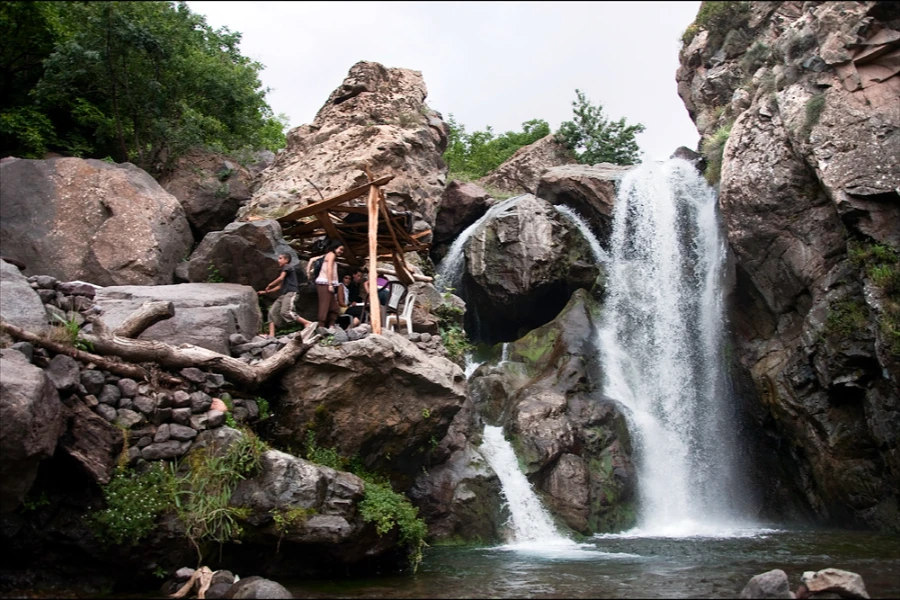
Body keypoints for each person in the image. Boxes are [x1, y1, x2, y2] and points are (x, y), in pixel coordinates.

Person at [258, 253, 311, 338]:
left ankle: (307, 323)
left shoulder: (287, 267)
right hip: (284, 294)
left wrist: (269, 285)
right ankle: (271, 335)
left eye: (280, 258)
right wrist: (265, 292)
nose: (278, 260)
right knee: (272, 312)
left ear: (286, 260)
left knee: (286, 312)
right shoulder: (285, 270)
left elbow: (280, 278)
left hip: (291, 292)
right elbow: (279, 286)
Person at [314, 241, 344, 328]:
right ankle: (321, 326)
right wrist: (330, 284)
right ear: (335, 248)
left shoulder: (328, 255)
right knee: (324, 305)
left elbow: (312, 259)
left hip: (327, 283)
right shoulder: (331, 255)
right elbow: (329, 268)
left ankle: (331, 325)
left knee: (334, 307)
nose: (341, 252)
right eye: (340, 249)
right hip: (325, 283)